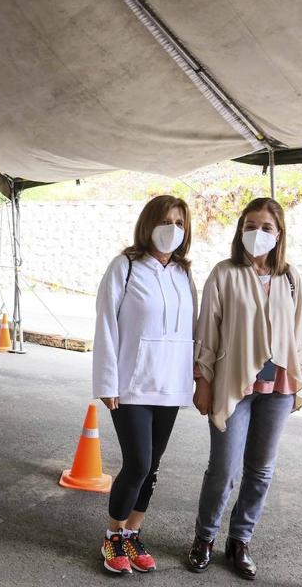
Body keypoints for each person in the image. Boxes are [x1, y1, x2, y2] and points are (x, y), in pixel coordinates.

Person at [187, 198, 302, 580]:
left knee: (261, 470)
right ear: (240, 231)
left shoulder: (290, 277)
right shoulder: (224, 274)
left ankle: (239, 540)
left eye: (266, 227)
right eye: (250, 225)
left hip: (278, 388)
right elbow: (207, 332)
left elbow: (297, 331)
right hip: (233, 385)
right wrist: (202, 382)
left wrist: (299, 378)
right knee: (223, 469)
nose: (258, 233)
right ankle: (204, 537)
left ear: (279, 234)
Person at [91, 196, 197, 574]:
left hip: (170, 384)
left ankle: (133, 534)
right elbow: (106, 323)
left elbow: (192, 331)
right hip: (131, 384)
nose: (173, 229)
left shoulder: (184, 273)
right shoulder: (126, 266)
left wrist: (194, 380)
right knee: (137, 463)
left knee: (152, 467)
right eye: (166, 220)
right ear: (149, 224)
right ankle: (113, 535)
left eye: (180, 222)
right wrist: (107, 381)